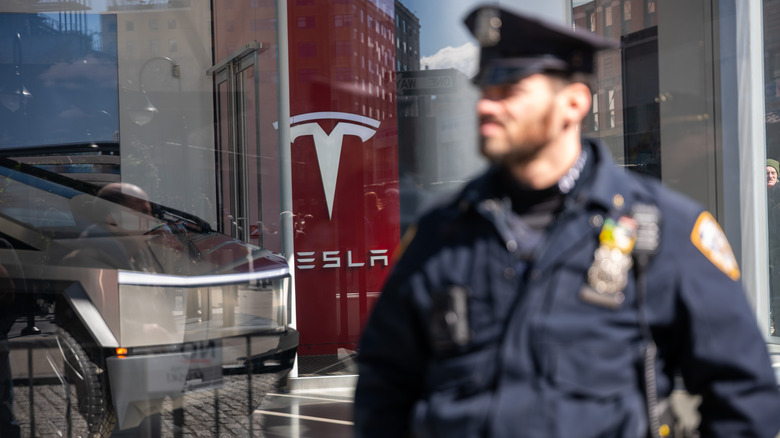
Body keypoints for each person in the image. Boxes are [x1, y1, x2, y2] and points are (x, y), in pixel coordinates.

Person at [354, 5, 780, 438]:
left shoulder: (664, 231)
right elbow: (383, 385)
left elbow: (745, 397)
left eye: (509, 89)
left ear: (573, 103)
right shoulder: (442, 233)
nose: (485, 105)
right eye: (485, 87)